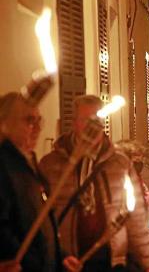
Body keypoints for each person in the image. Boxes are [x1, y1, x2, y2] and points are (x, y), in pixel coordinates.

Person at [39, 95, 149, 272]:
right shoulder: (51, 164)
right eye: (85, 120)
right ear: (74, 123)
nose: (91, 126)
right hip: (68, 260)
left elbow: (137, 219)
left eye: (96, 119)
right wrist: (56, 254)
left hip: (111, 260)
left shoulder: (120, 163)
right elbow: (41, 218)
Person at [0, 92, 78, 272]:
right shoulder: (4, 166)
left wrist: (61, 256)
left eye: (39, 121)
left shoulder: (31, 164)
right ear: (4, 124)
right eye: (29, 121)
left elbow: (43, 223)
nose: (37, 128)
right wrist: (28, 262)